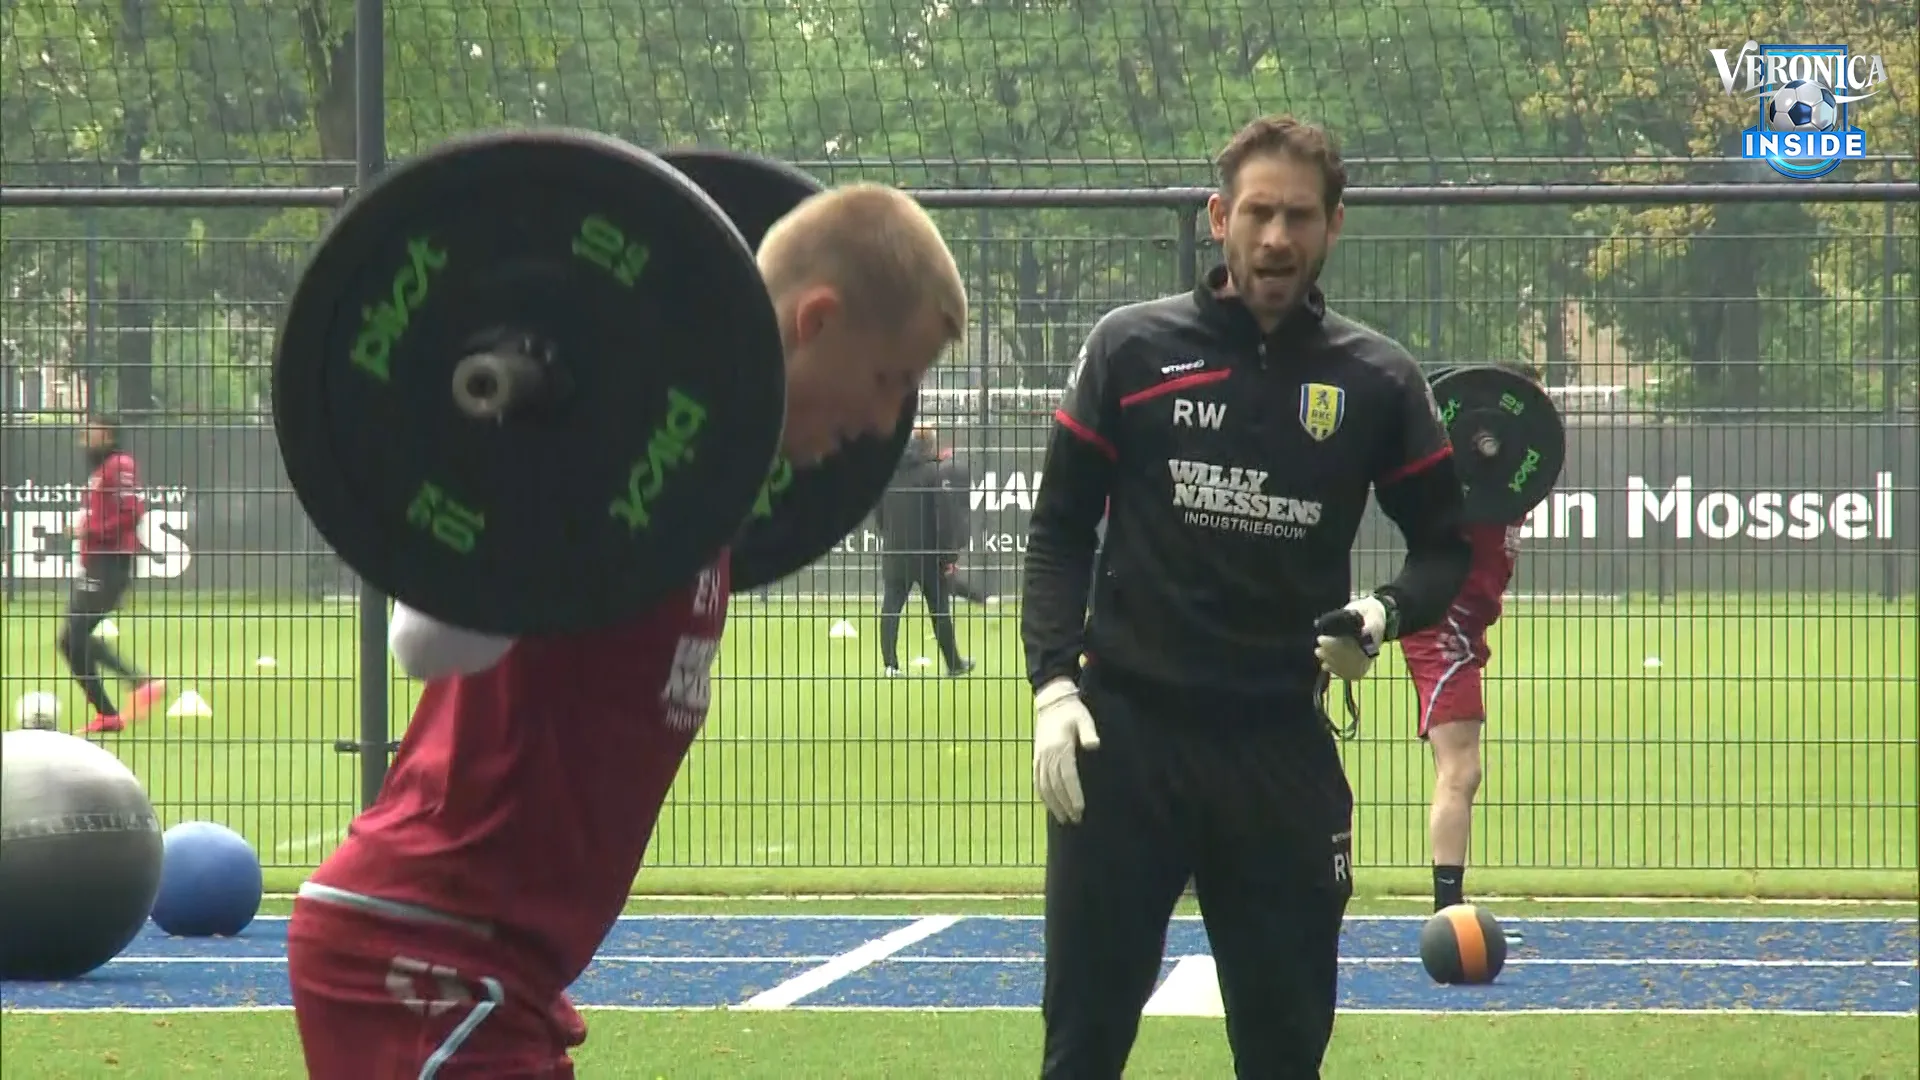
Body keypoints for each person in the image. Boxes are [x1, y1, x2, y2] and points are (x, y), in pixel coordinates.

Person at [284, 182, 968, 1079]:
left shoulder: (699, 512)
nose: (885, 424)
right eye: (888, 381)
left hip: (505, 973)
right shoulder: (615, 466)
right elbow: (427, 645)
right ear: (818, 321)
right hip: (419, 956)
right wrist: (524, 463)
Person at [1019, 115, 1473, 1079]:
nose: (1276, 238)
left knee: (1283, 1053)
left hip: (1280, 754)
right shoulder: (1129, 349)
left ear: (1334, 226)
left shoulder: (1377, 379)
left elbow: (1445, 550)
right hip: (1126, 747)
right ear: (1219, 218)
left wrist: (1381, 616)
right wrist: (1054, 687)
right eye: (1258, 213)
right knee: (1082, 1049)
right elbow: (1058, 531)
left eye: (1299, 216)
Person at [1404, 360, 1540, 914]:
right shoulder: (1460, 480)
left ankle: (1449, 904)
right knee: (1461, 769)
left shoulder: (1517, 475)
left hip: (1466, 630)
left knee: (1462, 770)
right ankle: (1447, 909)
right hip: (1444, 626)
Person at [62, 412, 164, 735]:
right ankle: (133, 687)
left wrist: (89, 530)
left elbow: (131, 513)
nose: (84, 439)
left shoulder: (119, 465)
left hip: (110, 564)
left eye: (90, 433)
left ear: (106, 435)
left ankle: (120, 701)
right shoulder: (103, 469)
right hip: (98, 563)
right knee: (73, 638)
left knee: (72, 638)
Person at [872, 426, 975, 676]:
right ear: (930, 445)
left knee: (891, 607)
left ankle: (890, 665)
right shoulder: (932, 474)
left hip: (896, 552)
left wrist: (890, 536)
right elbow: (944, 519)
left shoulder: (888, 473)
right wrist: (948, 556)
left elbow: (879, 514)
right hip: (928, 555)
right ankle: (954, 664)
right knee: (939, 610)